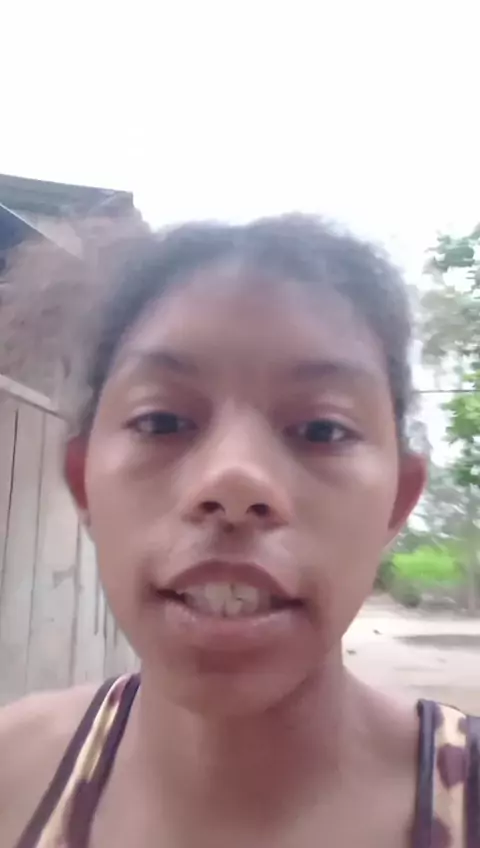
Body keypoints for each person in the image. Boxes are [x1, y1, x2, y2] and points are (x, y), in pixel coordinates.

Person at [0, 214, 477, 848]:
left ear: (398, 501)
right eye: (162, 420)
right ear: (83, 482)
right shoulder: (12, 775)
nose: (233, 480)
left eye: (323, 430)